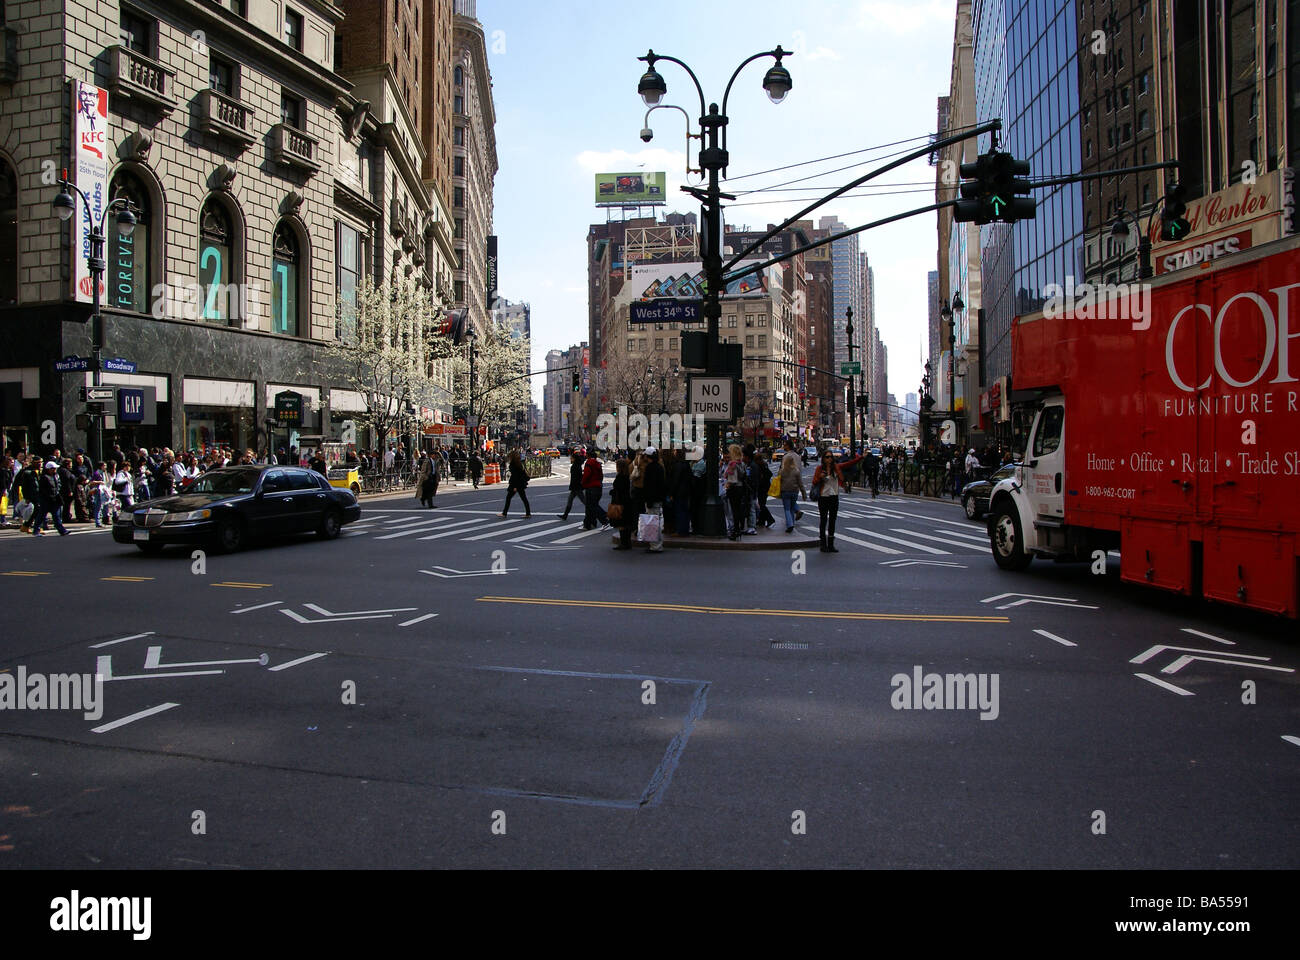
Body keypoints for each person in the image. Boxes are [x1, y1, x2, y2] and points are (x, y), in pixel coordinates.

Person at [813, 448, 862, 553]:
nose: (829, 459)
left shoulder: (836, 468)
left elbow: (849, 463)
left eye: (831, 457)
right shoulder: (819, 469)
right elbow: (814, 482)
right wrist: (820, 477)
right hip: (823, 496)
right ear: (823, 458)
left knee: (832, 520)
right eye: (827, 457)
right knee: (823, 520)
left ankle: (830, 544)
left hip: (834, 496)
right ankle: (823, 544)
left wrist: (861, 457)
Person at [31, 461, 69, 536]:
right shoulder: (44, 477)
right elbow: (42, 490)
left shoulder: (56, 476)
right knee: (41, 516)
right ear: (49, 469)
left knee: (56, 516)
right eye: (53, 468)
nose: (55, 470)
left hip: (54, 500)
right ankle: (36, 530)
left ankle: (62, 530)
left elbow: (58, 486)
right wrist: (47, 496)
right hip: (46, 500)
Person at [640, 446, 667, 553]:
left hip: (652, 499)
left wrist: (649, 500)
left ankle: (656, 545)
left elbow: (650, 486)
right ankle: (656, 544)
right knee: (657, 521)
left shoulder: (650, 468)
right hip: (658, 498)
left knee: (653, 522)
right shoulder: (659, 467)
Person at [777, 438, 807, 534]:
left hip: (785, 486)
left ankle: (790, 524)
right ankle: (794, 518)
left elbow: (780, 475)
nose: (783, 446)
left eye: (785, 445)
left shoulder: (786, 457)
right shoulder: (798, 456)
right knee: (792, 504)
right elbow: (800, 471)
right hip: (795, 484)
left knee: (787, 507)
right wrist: (803, 492)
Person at [722, 444, 750, 541]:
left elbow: (732, 479)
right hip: (740, 488)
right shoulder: (741, 463)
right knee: (737, 510)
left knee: (733, 511)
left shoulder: (732, 464)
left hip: (733, 489)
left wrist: (726, 486)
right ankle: (738, 529)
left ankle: (735, 531)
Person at [498, 449, 532, 517]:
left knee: (509, 498)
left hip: (515, 484)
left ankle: (504, 513)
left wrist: (515, 487)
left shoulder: (513, 465)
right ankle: (528, 513)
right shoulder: (519, 463)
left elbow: (515, 476)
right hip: (520, 484)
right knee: (524, 498)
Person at [667, 448, 693, 537]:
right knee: (685, 511)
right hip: (686, 491)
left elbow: (675, 480)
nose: (674, 452)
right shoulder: (687, 464)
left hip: (679, 492)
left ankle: (680, 531)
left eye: (675, 451)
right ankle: (684, 529)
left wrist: (671, 493)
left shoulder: (678, 465)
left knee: (679, 511)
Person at [609, 458, 633, 550]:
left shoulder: (620, 477)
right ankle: (627, 542)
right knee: (626, 523)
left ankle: (624, 543)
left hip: (620, 502)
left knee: (621, 523)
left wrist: (612, 492)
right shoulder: (627, 476)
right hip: (627, 502)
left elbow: (618, 489)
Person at [581, 448, 607, 529]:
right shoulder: (597, 463)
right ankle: (589, 524)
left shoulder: (589, 463)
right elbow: (601, 476)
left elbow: (586, 475)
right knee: (590, 506)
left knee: (592, 506)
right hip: (598, 487)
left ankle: (605, 520)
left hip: (591, 487)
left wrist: (583, 484)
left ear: (588, 455)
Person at [557, 451, 585, 521]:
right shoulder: (577, 465)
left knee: (585, 502)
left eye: (571, 458)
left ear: (574, 459)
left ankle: (597, 513)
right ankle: (565, 515)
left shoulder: (575, 466)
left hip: (576, 487)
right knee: (570, 500)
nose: (570, 459)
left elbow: (575, 478)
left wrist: (573, 486)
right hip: (576, 487)